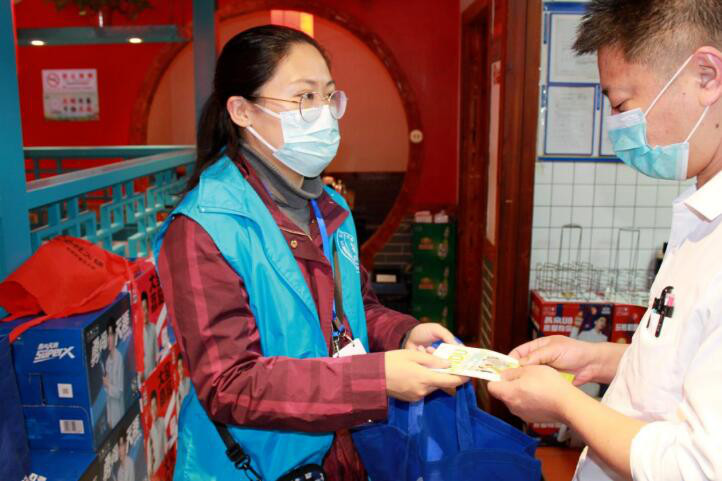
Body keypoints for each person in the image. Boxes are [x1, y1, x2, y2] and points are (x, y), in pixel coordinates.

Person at [154, 25, 465, 480]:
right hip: (255, 466)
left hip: (336, 455)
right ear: (242, 111)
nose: (323, 114)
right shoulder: (203, 228)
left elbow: (353, 312)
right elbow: (229, 384)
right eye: (304, 97)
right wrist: (376, 380)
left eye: (328, 96)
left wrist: (403, 335)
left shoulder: (329, 208)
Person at [489, 1, 722, 480]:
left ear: (706, 76)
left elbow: (696, 466)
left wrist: (565, 404)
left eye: (621, 104)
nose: (617, 126)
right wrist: (598, 360)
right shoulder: (702, 212)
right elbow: (689, 364)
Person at [103, 324, 125, 428]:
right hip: (111, 417)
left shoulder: (119, 358)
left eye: (111, 335)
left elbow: (119, 392)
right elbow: (107, 392)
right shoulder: (107, 361)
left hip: (119, 415)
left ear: (115, 336)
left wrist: (108, 385)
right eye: (107, 335)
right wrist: (109, 418)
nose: (109, 339)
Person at [141, 292, 158, 380]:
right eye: (143, 309)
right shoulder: (137, 335)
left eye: (147, 308)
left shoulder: (153, 328)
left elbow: (157, 354)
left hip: (153, 376)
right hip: (143, 381)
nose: (146, 312)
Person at [148, 390, 166, 474]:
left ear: (157, 406)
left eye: (155, 405)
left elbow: (165, 444)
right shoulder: (150, 434)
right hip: (157, 471)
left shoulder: (162, 421)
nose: (154, 409)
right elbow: (150, 463)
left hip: (165, 466)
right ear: (150, 409)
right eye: (152, 407)